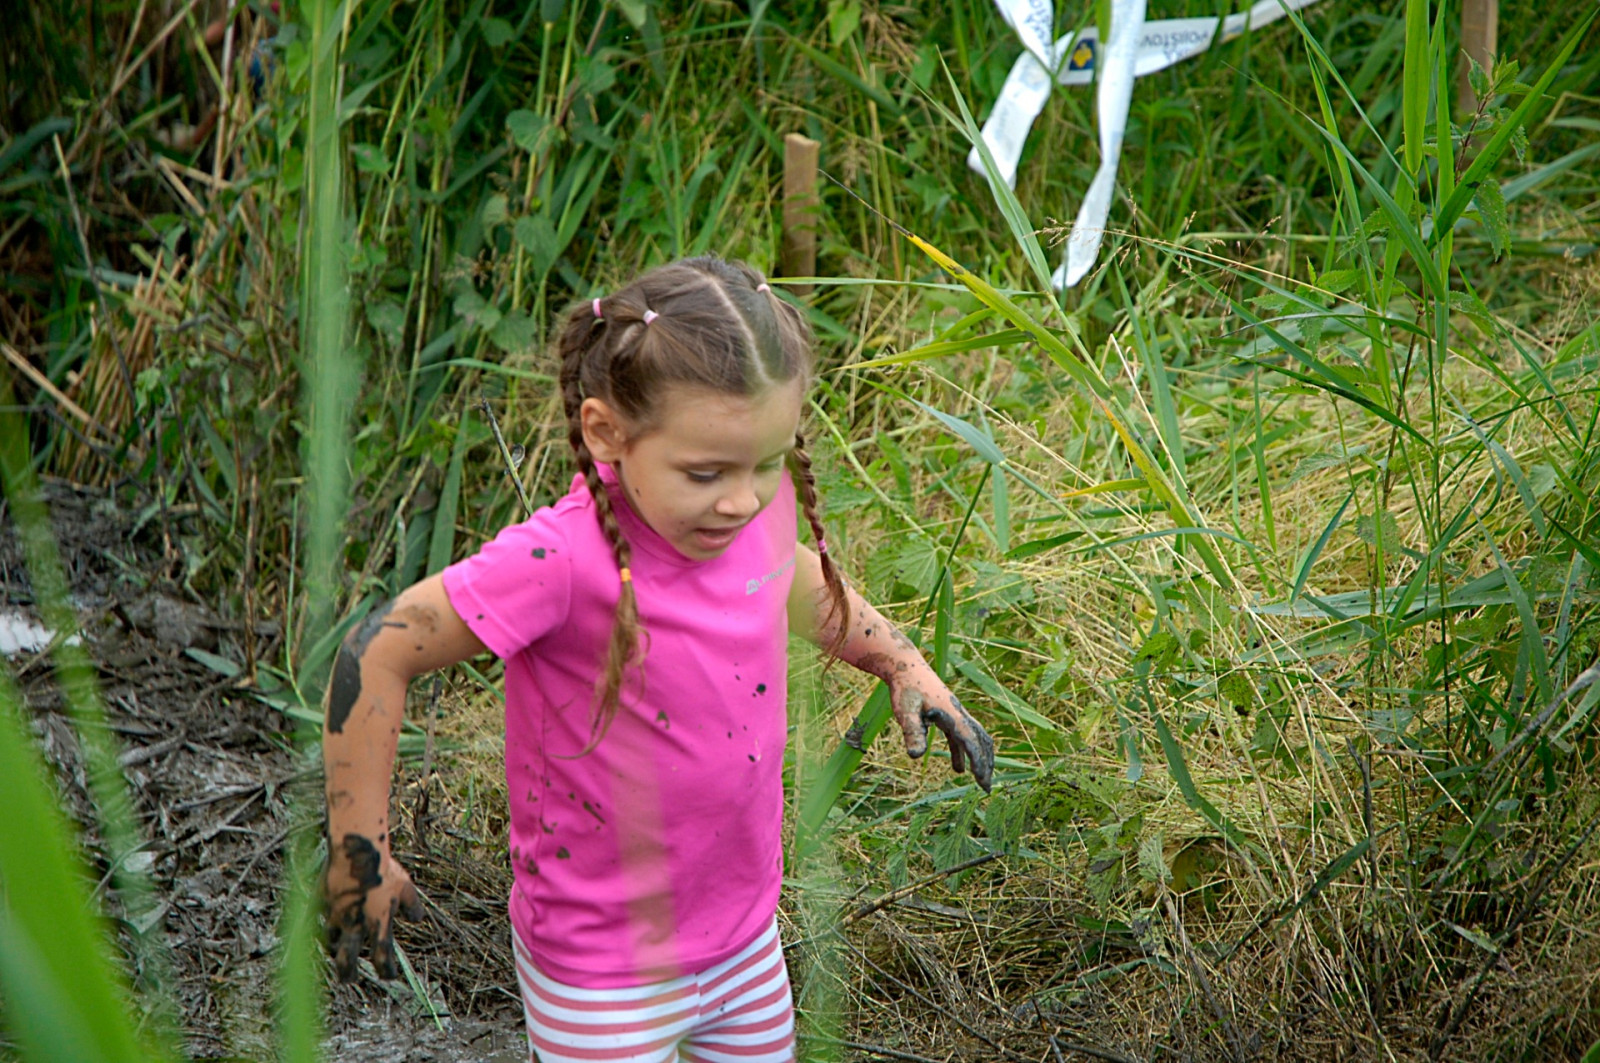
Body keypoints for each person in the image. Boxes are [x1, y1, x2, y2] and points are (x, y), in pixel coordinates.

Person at [321, 256, 995, 1063]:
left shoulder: (747, 516)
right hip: (600, 970)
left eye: (767, 462)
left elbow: (797, 581)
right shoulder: (558, 562)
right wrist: (360, 848)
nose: (743, 499)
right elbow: (377, 650)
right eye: (705, 472)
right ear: (608, 432)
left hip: (744, 942)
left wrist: (903, 664)